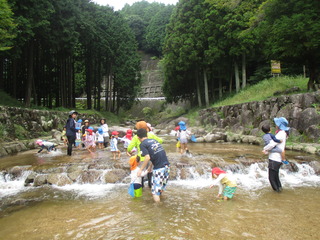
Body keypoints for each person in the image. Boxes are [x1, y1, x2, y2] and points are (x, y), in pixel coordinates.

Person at [137, 128, 170, 203]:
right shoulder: (154, 141)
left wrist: (141, 170)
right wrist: (150, 166)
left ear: (138, 137)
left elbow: (147, 157)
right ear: (146, 135)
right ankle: (162, 203)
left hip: (159, 168)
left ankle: (158, 210)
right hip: (167, 166)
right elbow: (156, 154)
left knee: (155, 192)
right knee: (160, 189)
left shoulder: (143, 144)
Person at [127, 121, 163, 188]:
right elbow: (160, 141)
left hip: (141, 158)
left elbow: (130, 147)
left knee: (141, 172)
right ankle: (150, 184)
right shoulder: (151, 135)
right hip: (151, 157)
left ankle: (142, 185)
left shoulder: (136, 137)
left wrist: (129, 151)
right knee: (150, 171)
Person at [263, 117, 290, 192]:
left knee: (271, 178)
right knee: (276, 177)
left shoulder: (280, 134)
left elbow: (272, 144)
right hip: (278, 159)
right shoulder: (283, 133)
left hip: (274, 158)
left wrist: (265, 149)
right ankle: (280, 190)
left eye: (277, 124)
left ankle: (277, 193)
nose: (275, 125)